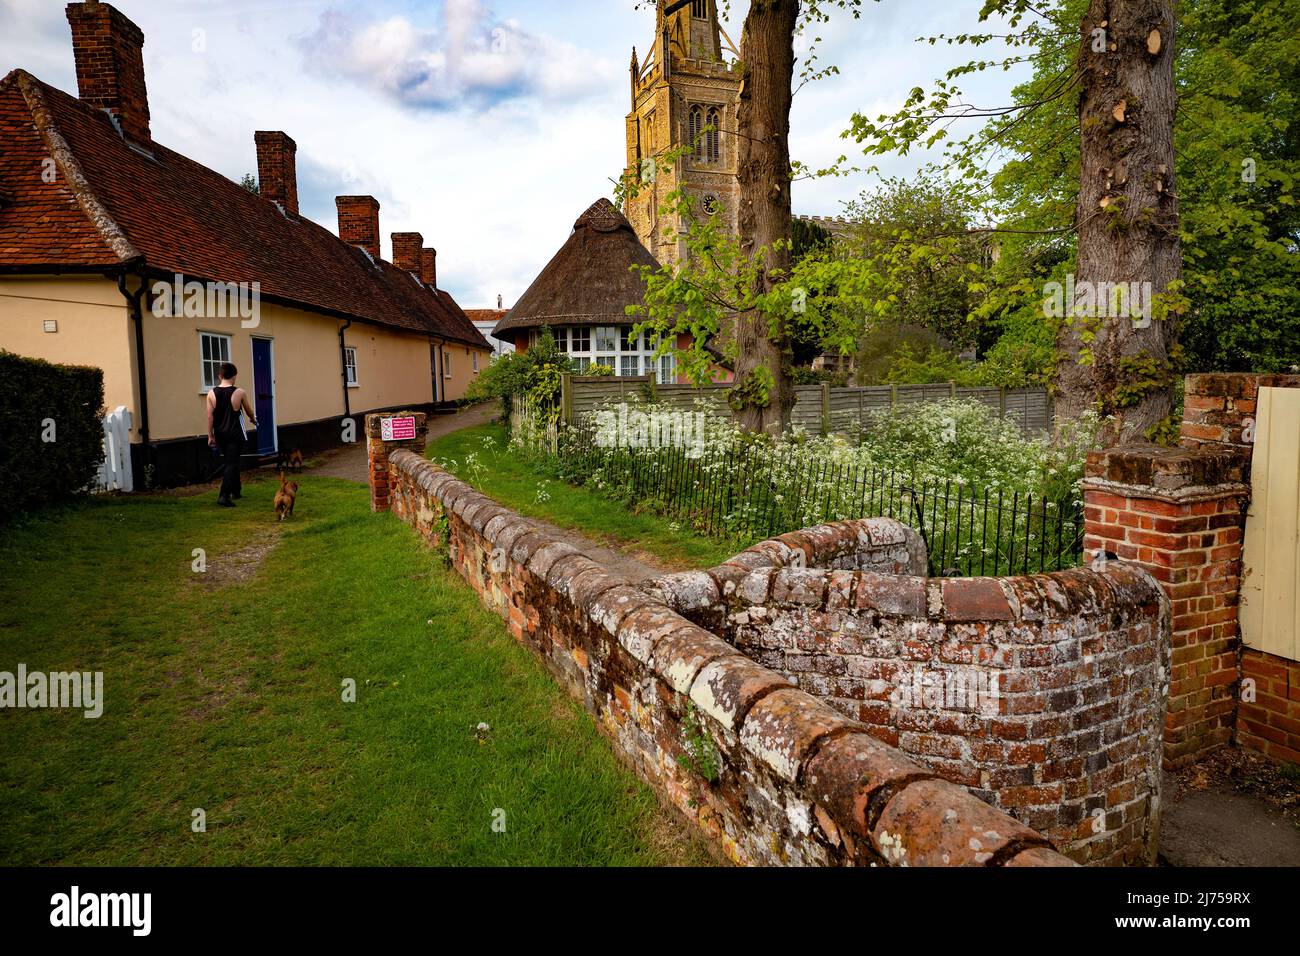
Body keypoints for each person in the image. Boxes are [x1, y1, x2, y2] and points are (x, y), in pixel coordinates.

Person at [206, 362, 257, 507]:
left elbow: (210, 417)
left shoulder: (211, 393)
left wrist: (210, 436)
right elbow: (248, 411)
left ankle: (236, 491)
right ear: (235, 376)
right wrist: (253, 419)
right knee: (231, 463)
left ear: (219, 376)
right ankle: (224, 496)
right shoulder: (239, 392)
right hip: (235, 434)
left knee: (231, 461)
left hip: (220, 434)